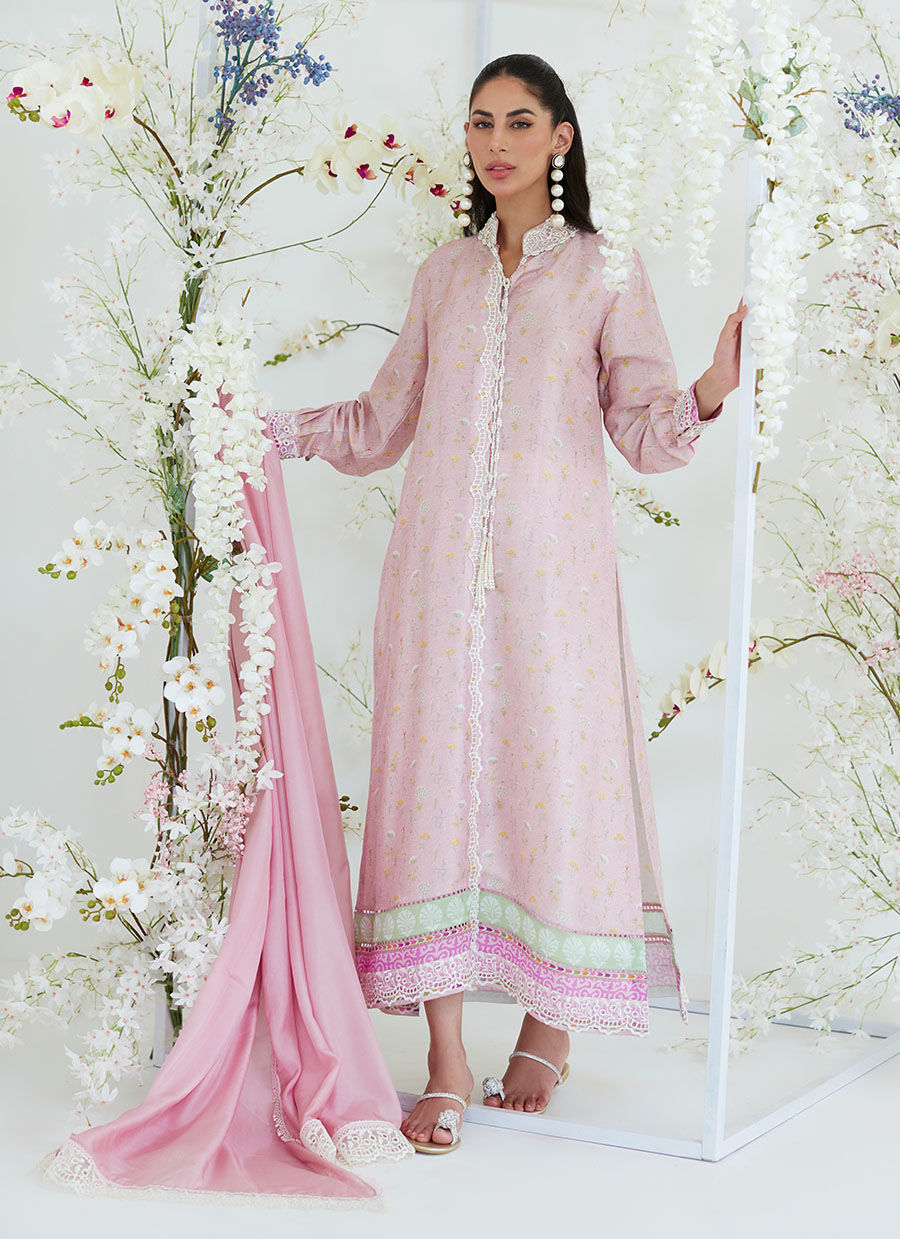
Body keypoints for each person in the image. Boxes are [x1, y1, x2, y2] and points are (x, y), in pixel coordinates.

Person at [269, 52, 746, 1154]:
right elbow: (384, 420)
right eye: (481, 122)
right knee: (431, 789)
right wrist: (266, 430)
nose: (496, 142)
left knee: (558, 784)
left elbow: (642, 429)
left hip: (553, 583)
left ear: (560, 138)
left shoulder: (607, 269)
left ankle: (549, 1026)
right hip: (436, 581)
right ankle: (443, 1059)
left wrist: (713, 387)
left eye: (520, 122)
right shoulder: (444, 274)